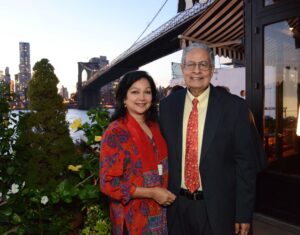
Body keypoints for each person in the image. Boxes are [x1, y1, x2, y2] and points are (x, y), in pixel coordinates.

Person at [159, 42, 264, 235]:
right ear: (182, 68)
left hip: (219, 209)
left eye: (203, 64)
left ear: (212, 69)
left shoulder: (235, 108)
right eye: (190, 64)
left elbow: (246, 165)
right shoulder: (167, 106)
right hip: (177, 207)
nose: (196, 71)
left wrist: (243, 213)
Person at [100, 70, 176, 235]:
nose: (142, 98)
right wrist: (151, 192)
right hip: (134, 219)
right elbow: (108, 183)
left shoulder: (156, 126)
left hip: (162, 213)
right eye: (135, 92)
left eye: (147, 92)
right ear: (124, 98)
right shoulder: (116, 132)